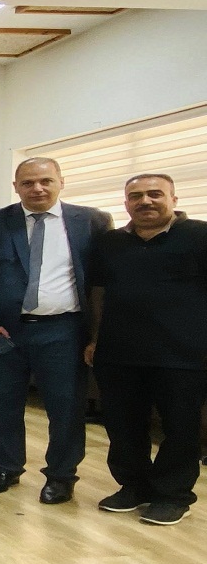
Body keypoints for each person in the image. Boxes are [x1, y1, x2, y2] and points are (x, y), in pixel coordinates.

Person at [0, 157, 113, 504]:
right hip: (1, 332)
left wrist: (97, 334)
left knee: (66, 407)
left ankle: (61, 475)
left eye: (45, 181)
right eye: (27, 183)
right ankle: (5, 468)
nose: (37, 188)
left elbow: (102, 278)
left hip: (63, 330)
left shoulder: (93, 221)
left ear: (61, 182)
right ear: (16, 187)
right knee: (0, 404)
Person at [85, 174, 207, 526]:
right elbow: (98, 292)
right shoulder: (109, 242)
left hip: (184, 353)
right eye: (136, 196)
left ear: (173, 198)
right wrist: (95, 338)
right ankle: (134, 486)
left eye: (155, 194)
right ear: (126, 203)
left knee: (181, 428)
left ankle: (173, 495)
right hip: (119, 351)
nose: (145, 201)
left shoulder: (200, 236)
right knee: (123, 426)